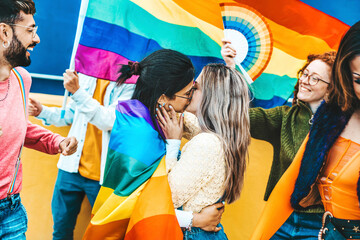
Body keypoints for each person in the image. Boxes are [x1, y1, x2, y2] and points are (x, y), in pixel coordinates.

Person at [83, 49, 225, 240]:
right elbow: (136, 204)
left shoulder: (143, 115)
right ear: (163, 97)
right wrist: (194, 220)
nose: (190, 99)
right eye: (187, 94)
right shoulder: (140, 135)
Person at [251, 20, 360, 240]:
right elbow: (289, 185)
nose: (306, 81)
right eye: (358, 79)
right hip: (307, 226)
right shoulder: (328, 116)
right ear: (345, 77)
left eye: (315, 78)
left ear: (330, 86)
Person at [222, 41, 336, 238]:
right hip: (280, 219)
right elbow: (237, 116)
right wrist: (231, 68)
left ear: (330, 90)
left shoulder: (344, 128)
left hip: (321, 225)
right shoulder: (285, 117)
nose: (305, 80)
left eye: (315, 78)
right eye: (305, 74)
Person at [0, 0, 77, 239]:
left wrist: (55, 141)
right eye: (30, 30)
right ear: (4, 32)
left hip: (10, 211)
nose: (37, 39)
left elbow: (18, 127)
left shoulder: (22, 79)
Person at [29, 69, 135, 239]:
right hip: (70, 169)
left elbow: (108, 121)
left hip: (103, 177)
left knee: (104, 235)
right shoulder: (87, 73)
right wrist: (42, 111)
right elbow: (71, 115)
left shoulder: (131, 83)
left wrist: (77, 92)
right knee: (61, 231)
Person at [156, 63, 250, 239]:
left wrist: (173, 143)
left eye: (196, 87)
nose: (189, 91)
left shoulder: (207, 143)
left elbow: (167, 197)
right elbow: (184, 121)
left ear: (212, 97)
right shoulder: (222, 137)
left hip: (192, 234)